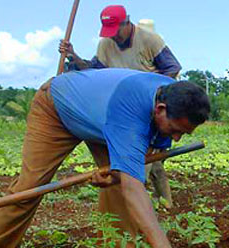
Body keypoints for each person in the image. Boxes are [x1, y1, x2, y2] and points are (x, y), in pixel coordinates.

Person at [0, 68, 210, 248]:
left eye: (183, 133)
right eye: (174, 129)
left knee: (121, 181)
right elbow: (133, 186)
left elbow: (136, 164)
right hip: (57, 107)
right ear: (159, 109)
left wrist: (116, 176)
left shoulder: (173, 95)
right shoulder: (131, 112)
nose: (176, 138)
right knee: (31, 186)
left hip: (104, 120)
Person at [59, 5, 181, 205]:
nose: (113, 36)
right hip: (123, 111)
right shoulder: (106, 44)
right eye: (110, 32)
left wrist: (151, 91)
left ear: (127, 22)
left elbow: (172, 68)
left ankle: (138, 210)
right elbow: (94, 72)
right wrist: (73, 55)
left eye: (116, 31)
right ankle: (165, 203)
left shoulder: (150, 39)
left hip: (150, 110)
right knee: (152, 162)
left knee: (138, 166)